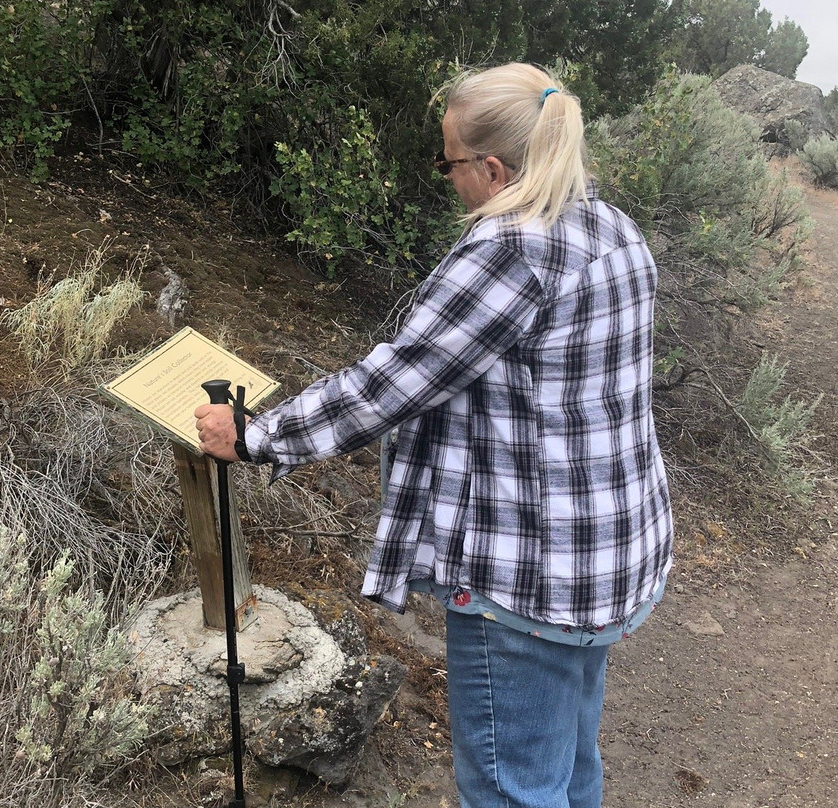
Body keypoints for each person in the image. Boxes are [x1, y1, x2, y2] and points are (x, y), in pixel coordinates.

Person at [195, 62, 673, 808]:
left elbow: (392, 384)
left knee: (514, 790)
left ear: (490, 167)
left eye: (447, 162)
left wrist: (257, 436)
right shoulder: (610, 227)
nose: (445, 178)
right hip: (604, 557)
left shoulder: (512, 251)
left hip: (524, 582)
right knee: (570, 770)